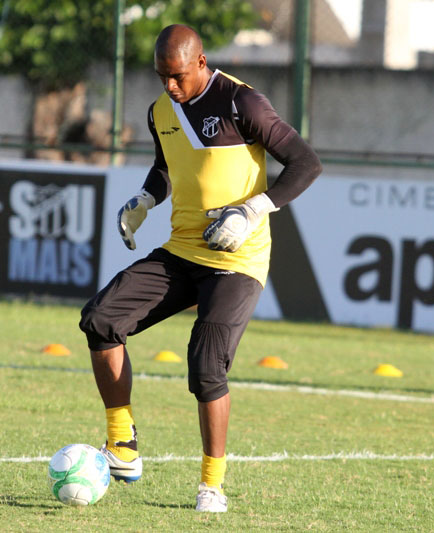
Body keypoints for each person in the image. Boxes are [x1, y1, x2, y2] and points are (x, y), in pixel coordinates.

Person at [79, 24, 322, 513]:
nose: (170, 86)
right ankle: (122, 445)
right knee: (101, 319)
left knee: (206, 367)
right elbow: (167, 164)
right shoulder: (160, 112)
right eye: (161, 76)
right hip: (182, 250)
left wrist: (253, 210)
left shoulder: (242, 104)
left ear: (201, 62)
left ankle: (212, 484)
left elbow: (305, 163)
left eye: (178, 76)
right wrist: (146, 198)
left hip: (237, 260)